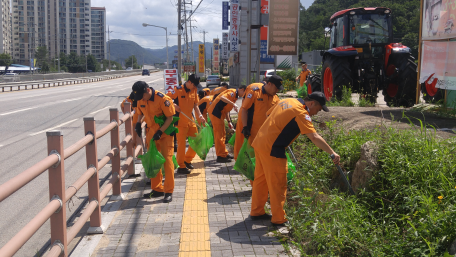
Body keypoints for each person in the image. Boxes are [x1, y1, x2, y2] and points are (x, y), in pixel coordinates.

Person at [249, 92, 340, 226]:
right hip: (273, 148)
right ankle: (279, 219)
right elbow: (314, 137)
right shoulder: (301, 113)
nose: (317, 113)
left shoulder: (289, 101)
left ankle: (256, 212)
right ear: (311, 103)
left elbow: (269, 114)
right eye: (318, 109)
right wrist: (332, 153)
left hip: (260, 142)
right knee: (278, 184)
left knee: (261, 180)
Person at [132, 81, 176, 203]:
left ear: (148, 90)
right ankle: (157, 189)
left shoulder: (163, 99)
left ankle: (168, 191)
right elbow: (140, 113)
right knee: (153, 160)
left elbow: (170, 118)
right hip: (152, 133)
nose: (141, 99)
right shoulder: (141, 99)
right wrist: (138, 123)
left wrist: (160, 132)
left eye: (142, 96)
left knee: (167, 161)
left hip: (165, 133)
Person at [167, 74, 206, 174]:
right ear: (189, 82)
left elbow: (195, 105)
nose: (195, 87)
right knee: (181, 145)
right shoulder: (178, 90)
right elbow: (166, 99)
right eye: (194, 85)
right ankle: (181, 166)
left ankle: (187, 160)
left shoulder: (193, 90)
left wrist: (200, 116)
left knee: (197, 140)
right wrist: (174, 105)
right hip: (180, 122)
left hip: (190, 120)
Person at [208, 85, 246, 163]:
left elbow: (227, 110)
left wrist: (229, 122)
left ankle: (224, 153)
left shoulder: (235, 96)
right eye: (244, 93)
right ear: (241, 89)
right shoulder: (232, 92)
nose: (244, 95)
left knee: (223, 134)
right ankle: (220, 156)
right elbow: (222, 97)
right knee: (219, 135)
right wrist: (233, 104)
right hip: (215, 113)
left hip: (220, 114)